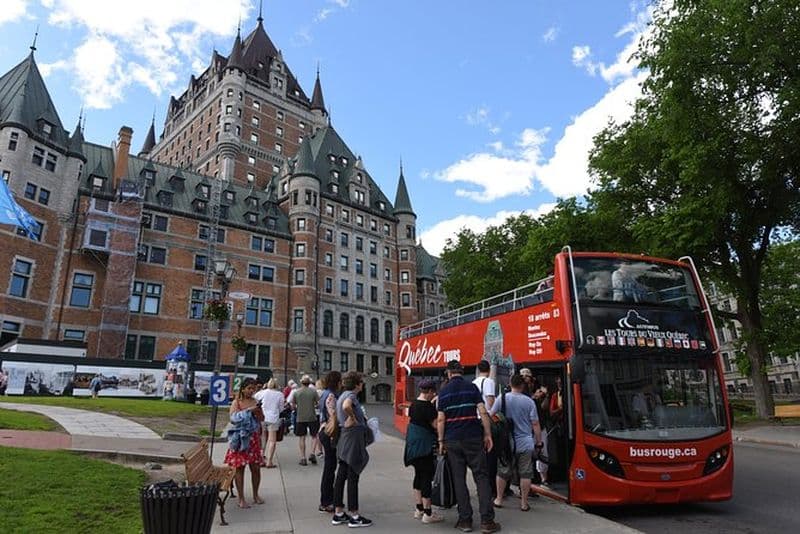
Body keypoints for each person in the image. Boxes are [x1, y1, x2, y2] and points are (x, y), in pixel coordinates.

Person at [437, 360, 500, 533]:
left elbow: (441, 419)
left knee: (459, 479)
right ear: (462, 372)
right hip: (473, 437)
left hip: (452, 440)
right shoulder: (471, 388)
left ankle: (465, 520)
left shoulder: (443, 392)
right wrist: (487, 434)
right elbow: (483, 411)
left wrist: (441, 441)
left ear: (448, 373)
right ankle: (487, 521)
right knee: (481, 477)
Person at [490, 374, 544, 511]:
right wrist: (539, 442)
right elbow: (535, 424)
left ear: (510, 383)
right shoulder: (529, 402)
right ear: (522, 386)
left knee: (503, 471)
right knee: (525, 473)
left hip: (507, 443)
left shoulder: (502, 398)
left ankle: (499, 499)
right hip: (525, 443)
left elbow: (491, 415)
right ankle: (524, 503)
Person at [332, 371, 373, 528]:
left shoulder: (342, 395)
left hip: (345, 438)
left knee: (341, 475)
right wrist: (354, 418)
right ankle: (354, 515)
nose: (362, 384)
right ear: (356, 384)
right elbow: (346, 406)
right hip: (353, 439)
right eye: (361, 382)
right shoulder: (351, 396)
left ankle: (338, 512)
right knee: (353, 475)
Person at [403, 379, 444, 524]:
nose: (435, 394)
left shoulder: (414, 404)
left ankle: (419, 509)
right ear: (430, 391)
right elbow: (435, 425)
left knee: (418, 476)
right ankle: (428, 513)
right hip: (425, 447)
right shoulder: (428, 407)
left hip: (413, 446)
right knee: (426, 477)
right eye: (434, 392)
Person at [224, 377, 265, 508]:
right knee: (240, 468)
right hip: (240, 439)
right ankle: (241, 498)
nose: (251, 391)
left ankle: (255, 494)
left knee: (256, 468)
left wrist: (258, 412)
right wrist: (249, 411)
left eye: (254, 388)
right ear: (243, 389)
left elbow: (262, 418)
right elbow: (233, 419)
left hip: (253, 439)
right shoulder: (237, 402)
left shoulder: (255, 402)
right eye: (249, 388)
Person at [472, 360, 497, 498]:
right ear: (489, 370)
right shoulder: (489, 382)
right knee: (490, 456)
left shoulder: (473, 382)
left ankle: (480, 487)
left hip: (475, 422)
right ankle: (490, 488)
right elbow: (490, 402)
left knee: (479, 457)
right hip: (485, 420)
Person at [318, 370, 342, 514]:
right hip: (329, 433)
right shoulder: (332, 396)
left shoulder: (324, 394)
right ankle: (326, 501)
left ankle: (327, 499)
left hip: (323, 430)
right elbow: (333, 415)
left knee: (330, 466)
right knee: (330, 467)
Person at [290, 375, 320, 466]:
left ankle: (303, 458)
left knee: (302, 437)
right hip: (312, 416)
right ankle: (312, 453)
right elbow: (318, 403)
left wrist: (297, 408)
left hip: (300, 417)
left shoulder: (296, 392)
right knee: (314, 436)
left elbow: (293, 405)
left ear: (301, 382)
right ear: (309, 383)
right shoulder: (313, 391)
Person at [254, 378, 285, 468]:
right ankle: (269, 461)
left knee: (263, 438)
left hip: (263, 417)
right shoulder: (280, 394)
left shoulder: (262, 392)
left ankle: (261, 458)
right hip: (273, 418)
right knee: (272, 440)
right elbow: (281, 408)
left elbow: (255, 399)